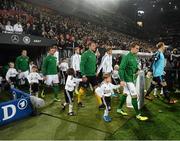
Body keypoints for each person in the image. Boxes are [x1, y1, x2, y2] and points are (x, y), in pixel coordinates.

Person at [117, 42, 148, 121]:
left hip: (131, 79)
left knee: (125, 94)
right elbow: (121, 69)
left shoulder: (134, 57)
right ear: (132, 48)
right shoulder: (126, 57)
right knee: (134, 96)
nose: (138, 50)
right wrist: (122, 80)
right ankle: (138, 114)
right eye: (137, 48)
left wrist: (137, 70)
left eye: (138, 48)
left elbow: (134, 67)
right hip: (128, 80)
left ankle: (119, 109)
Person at [79, 41, 103, 108]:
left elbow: (94, 64)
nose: (94, 47)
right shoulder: (85, 54)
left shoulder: (93, 54)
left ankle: (101, 104)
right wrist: (83, 75)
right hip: (86, 75)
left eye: (95, 45)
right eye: (93, 45)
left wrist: (97, 58)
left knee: (97, 89)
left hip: (93, 75)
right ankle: (79, 101)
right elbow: (81, 65)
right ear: (89, 46)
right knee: (82, 89)